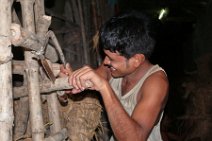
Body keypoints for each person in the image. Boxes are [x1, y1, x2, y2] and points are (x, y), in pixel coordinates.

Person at [61, 10, 169, 141]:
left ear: (136, 60)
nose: (105, 62)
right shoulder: (112, 68)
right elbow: (93, 79)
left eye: (112, 59)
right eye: (105, 56)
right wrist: (72, 80)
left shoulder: (156, 83)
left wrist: (104, 87)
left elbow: (134, 139)